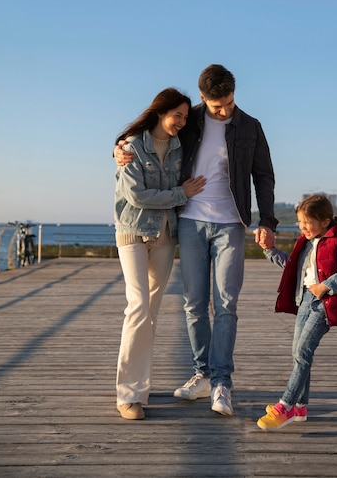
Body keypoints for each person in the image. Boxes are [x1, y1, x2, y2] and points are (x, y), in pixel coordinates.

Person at [115, 65, 278, 417]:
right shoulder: (189, 122)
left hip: (231, 224)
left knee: (226, 304)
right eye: (218, 106)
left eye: (230, 103)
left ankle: (222, 382)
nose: (225, 111)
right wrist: (118, 149)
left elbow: (263, 177)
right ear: (203, 98)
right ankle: (202, 374)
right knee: (193, 304)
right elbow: (151, 137)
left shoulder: (250, 127)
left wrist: (267, 221)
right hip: (187, 221)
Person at [114, 88, 206, 420]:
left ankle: (140, 388)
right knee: (137, 306)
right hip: (133, 231)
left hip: (166, 236)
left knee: (150, 311)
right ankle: (127, 395)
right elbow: (137, 196)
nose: (181, 122)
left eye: (185, 116)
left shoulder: (184, 145)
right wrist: (180, 193)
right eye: (176, 115)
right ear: (159, 112)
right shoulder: (131, 146)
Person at [255, 194, 337, 431]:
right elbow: (291, 264)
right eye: (301, 223)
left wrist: (326, 286)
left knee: (303, 352)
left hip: (324, 303)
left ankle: (285, 406)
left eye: (308, 223)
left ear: (325, 221)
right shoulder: (306, 241)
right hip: (304, 300)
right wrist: (270, 250)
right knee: (298, 353)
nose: (303, 228)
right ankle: (300, 408)